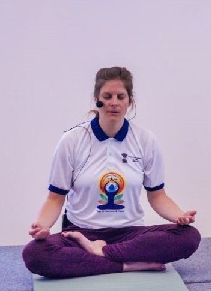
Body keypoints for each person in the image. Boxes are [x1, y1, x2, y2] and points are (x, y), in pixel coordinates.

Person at [22, 66, 200, 279]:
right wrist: (42, 227)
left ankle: (101, 254)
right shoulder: (71, 140)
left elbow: (157, 195)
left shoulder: (145, 140)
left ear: (129, 101)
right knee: (35, 254)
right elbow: (55, 199)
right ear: (97, 100)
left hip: (129, 233)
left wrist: (180, 216)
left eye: (120, 97)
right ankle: (128, 265)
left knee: (189, 237)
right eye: (107, 96)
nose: (114, 102)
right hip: (80, 233)